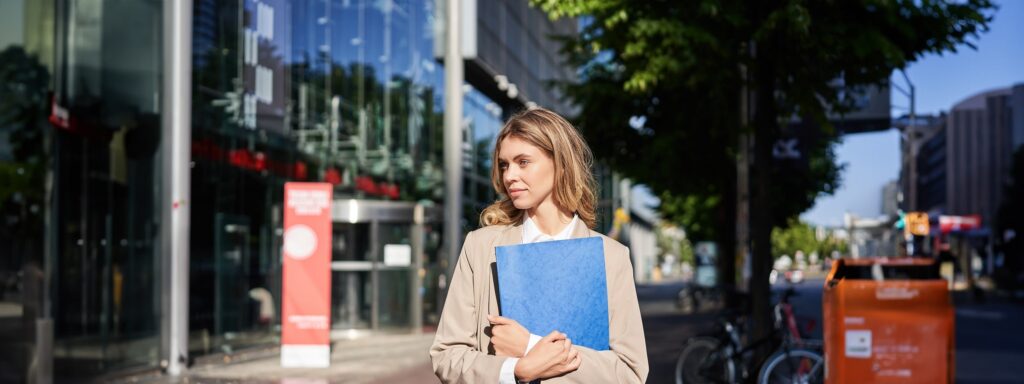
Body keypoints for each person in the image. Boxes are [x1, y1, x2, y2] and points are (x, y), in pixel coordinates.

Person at [430, 107, 648, 383]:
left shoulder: (610, 255)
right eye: (504, 165)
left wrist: (531, 346)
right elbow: (446, 355)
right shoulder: (480, 246)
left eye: (523, 162)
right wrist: (515, 371)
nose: (509, 176)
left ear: (561, 164)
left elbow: (630, 372)